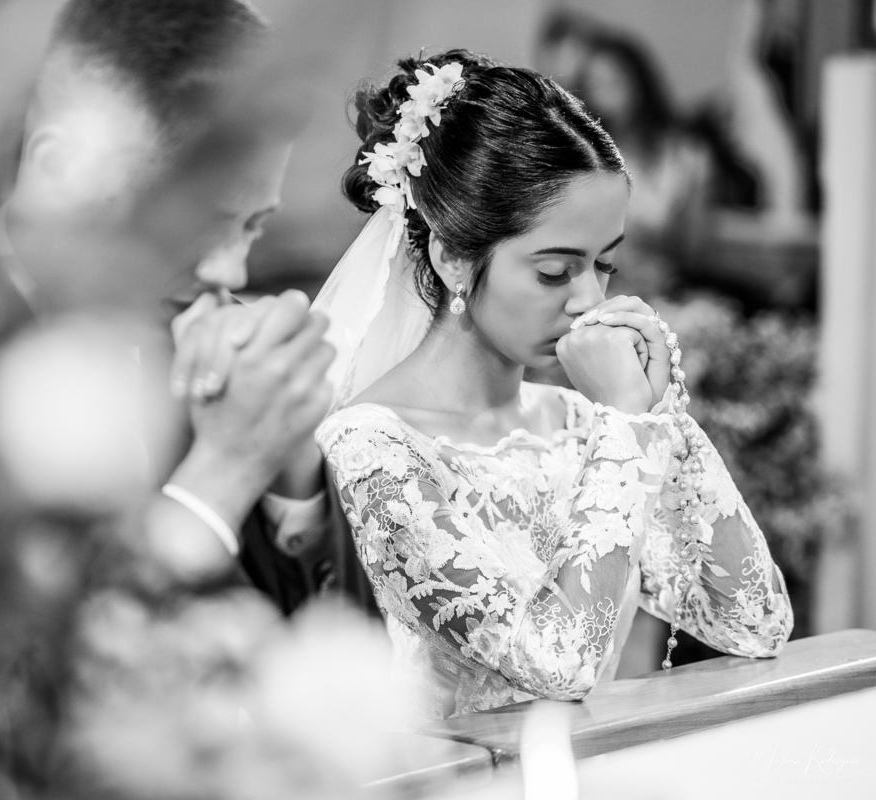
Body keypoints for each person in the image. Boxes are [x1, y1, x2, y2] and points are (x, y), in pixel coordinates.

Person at [0, 0, 373, 614]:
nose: (230, 274)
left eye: (254, 227)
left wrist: (288, 464)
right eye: (202, 225)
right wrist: (222, 474)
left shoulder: (193, 357)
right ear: (60, 166)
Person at [312, 50, 793, 721]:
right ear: (453, 259)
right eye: (554, 272)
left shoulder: (583, 426)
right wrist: (627, 427)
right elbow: (557, 664)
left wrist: (659, 416)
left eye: (605, 265)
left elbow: (755, 621)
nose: (590, 299)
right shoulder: (371, 450)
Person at [573, 33, 713, 299]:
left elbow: (695, 246)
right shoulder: (585, 156)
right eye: (594, 84)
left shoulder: (685, 153)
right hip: (602, 286)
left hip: (671, 285)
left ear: (639, 80)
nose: (605, 93)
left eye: (615, 80)